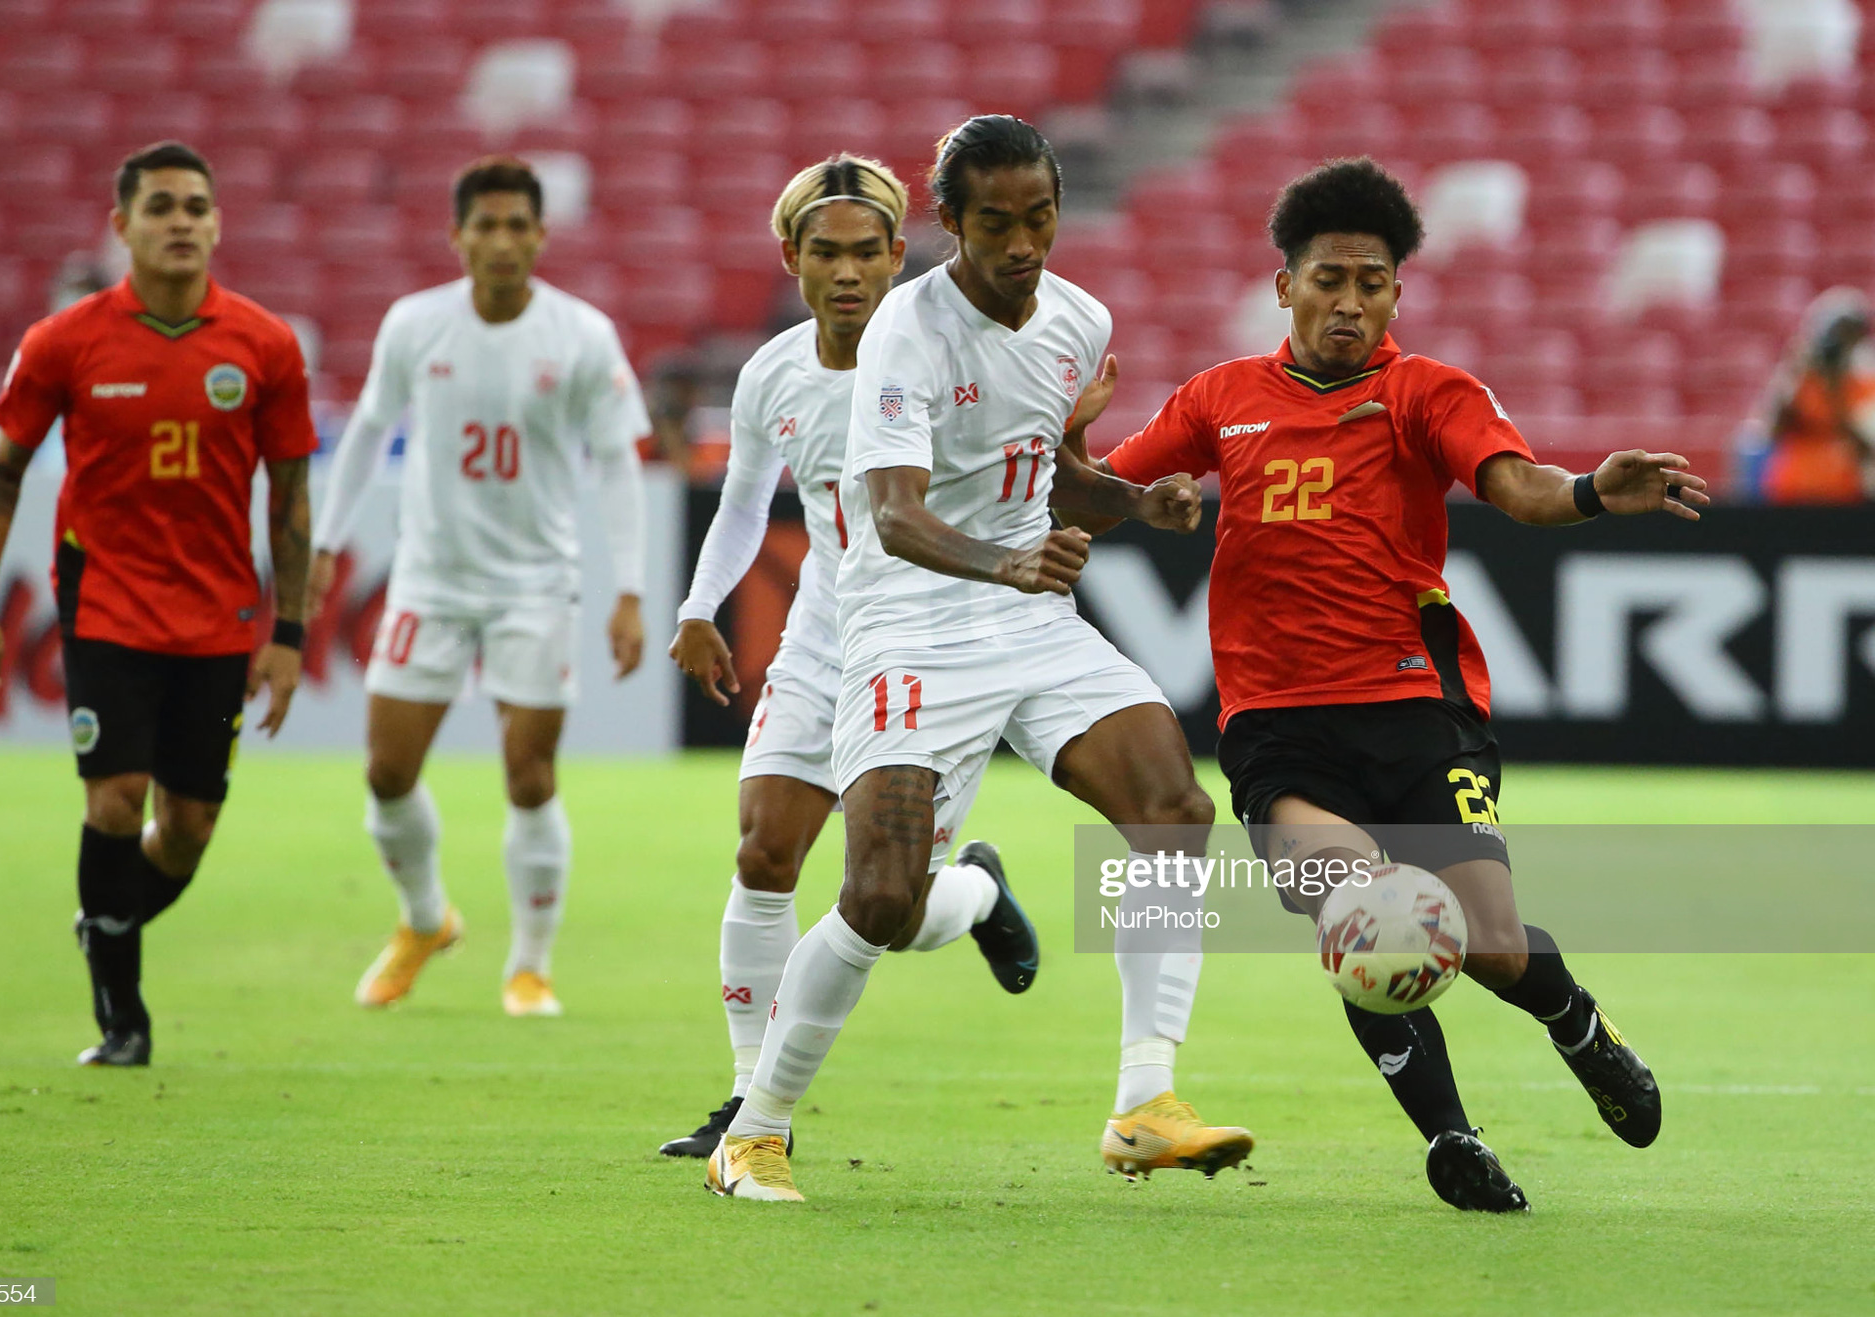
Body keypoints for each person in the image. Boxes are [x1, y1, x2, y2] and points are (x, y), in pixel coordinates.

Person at [1094, 157, 1704, 1211]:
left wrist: (1591, 495)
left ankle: (1578, 1028)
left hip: (1414, 712)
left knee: (1495, 947)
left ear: (1395, 291)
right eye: (1327, 279)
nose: (1348, 303)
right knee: (1365, 921)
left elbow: (1516, 490)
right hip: (1277, 727)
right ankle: (1449, 1140)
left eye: (1370, 282)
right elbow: (1108, 488)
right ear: (1282, 283)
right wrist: (1087, 474)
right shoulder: (1219, 400)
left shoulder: (1425, 391)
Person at [705, 117, 1252, 1203]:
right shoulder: (905, 333)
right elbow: (894, 514)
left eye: (1038, 217)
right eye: (993, 222)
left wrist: (1137, 499)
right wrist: (1007, 562)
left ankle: (1144, 1100)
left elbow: (1049, 472)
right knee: (877, 897)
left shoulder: (1076, 317)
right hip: (908, 620)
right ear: (947, 222)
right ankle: (751, 1133)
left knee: (1173, 810)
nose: (1020, 243)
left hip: (1026, 616)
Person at [659, 156, 1043, 1159]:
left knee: (892, 904)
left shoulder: (946, 356)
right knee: (761, 849)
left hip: (928, 647)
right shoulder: (772, 374)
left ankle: (978, 894)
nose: (845, 271)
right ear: (790, 258)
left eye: (866, 251)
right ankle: (747, 1100)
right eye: (823, 251)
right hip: (826, 633)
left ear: (895, 255)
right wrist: (701, 606)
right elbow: (744, 501)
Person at [0, 140, 317, 1067]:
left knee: (187, 828)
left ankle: (104, 924)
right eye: (161, 207)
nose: (183, 221)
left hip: (217, 613)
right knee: (114, 798)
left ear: (218, 223)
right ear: (122, 227)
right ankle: (122, 1014)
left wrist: (289, 630)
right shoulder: (64, 341)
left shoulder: (266, 345)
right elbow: (2, 479)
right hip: (105, 601)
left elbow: (290, 498)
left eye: (198, 206)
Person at [308, 157, 649, 1019]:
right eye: (484, 225)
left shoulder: (581, 335)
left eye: (516, 225)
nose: (501, 241)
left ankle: (529, 966)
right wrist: (324, 541)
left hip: (537, 585)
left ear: (540, 234)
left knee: (529, 776)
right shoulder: (415, 325)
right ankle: (426, 919)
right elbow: (367, 432)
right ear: (456, 236)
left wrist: (632, 589)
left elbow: (616, 464)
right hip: (431, 580)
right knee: (387, 770)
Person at [1758, 286, 1873, 504]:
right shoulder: (1803, 378)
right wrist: (1794, 374)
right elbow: (1774, 430)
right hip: (1792, 493)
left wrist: (1835, 389)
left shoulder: (1866, 384)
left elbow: (1865, 445)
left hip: (1847, 496)